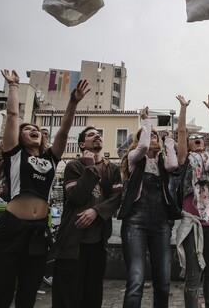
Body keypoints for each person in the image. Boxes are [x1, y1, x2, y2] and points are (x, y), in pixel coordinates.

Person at [0, 69, 88, 308]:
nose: (33, 130)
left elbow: (63, 131)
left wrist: (73, 103)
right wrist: (13, 85)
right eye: (27, 129)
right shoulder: (13, 154)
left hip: (38, 233)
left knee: (27, 295)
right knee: (0, 296)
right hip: (11, 229)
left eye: (37, 130)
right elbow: (12, 115)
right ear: (19, 137)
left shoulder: (51, 158)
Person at [52, 126, 123, 308]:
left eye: (99, 134)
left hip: (97, 242)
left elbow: (116, 198)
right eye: (92, 135)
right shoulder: (74, 166)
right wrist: (90, 168)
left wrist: (96, 211)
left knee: (92, 294)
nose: (97, 136)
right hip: (73, 241)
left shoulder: (111, 169)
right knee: (68, 295)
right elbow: (76, 196)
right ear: (82, 144)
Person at [118, 107, 180, 308]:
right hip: (135, 221)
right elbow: (143, 147)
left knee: (163, 281)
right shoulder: (134, 159)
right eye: (148, 135)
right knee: (136, 279)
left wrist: (169, 140)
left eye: (155, 136)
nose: (153, 137)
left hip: (161, 222)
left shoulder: (162, 163)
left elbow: (173, 165)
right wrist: (146, 123)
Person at [175, 94, 209, 308]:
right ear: (187, 144)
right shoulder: (184, 160)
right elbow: (180, 131)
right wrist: (184, 108)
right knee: (193, 278)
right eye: (193, 138)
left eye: (201, 138)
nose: (199, 140)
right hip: (192, 225)